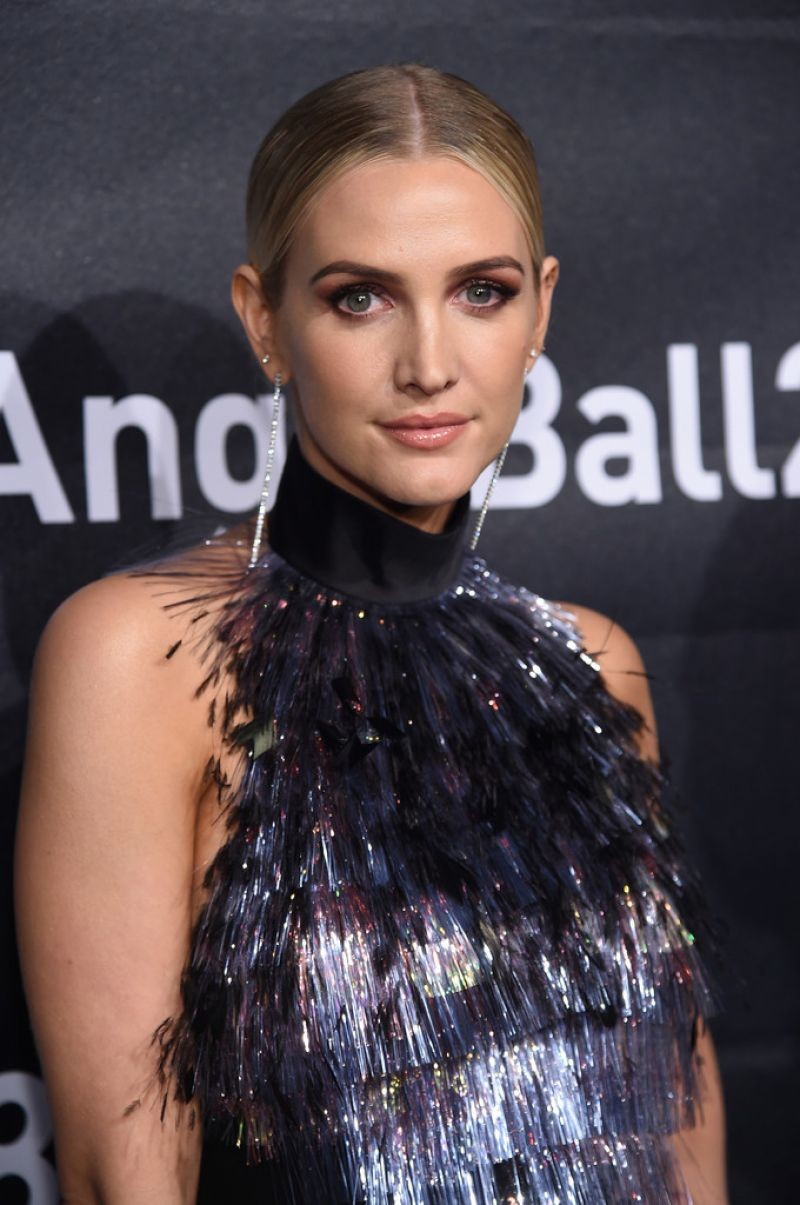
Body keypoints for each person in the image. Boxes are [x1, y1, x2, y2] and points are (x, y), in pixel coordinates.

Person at [15, 64, 728, 1204]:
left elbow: (672, 1112)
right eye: (361, 298)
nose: (429, 364)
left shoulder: (591, 665)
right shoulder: (138, 656)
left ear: (541, 309)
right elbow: (122, 1172)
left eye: (482, 291)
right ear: (265, 319)